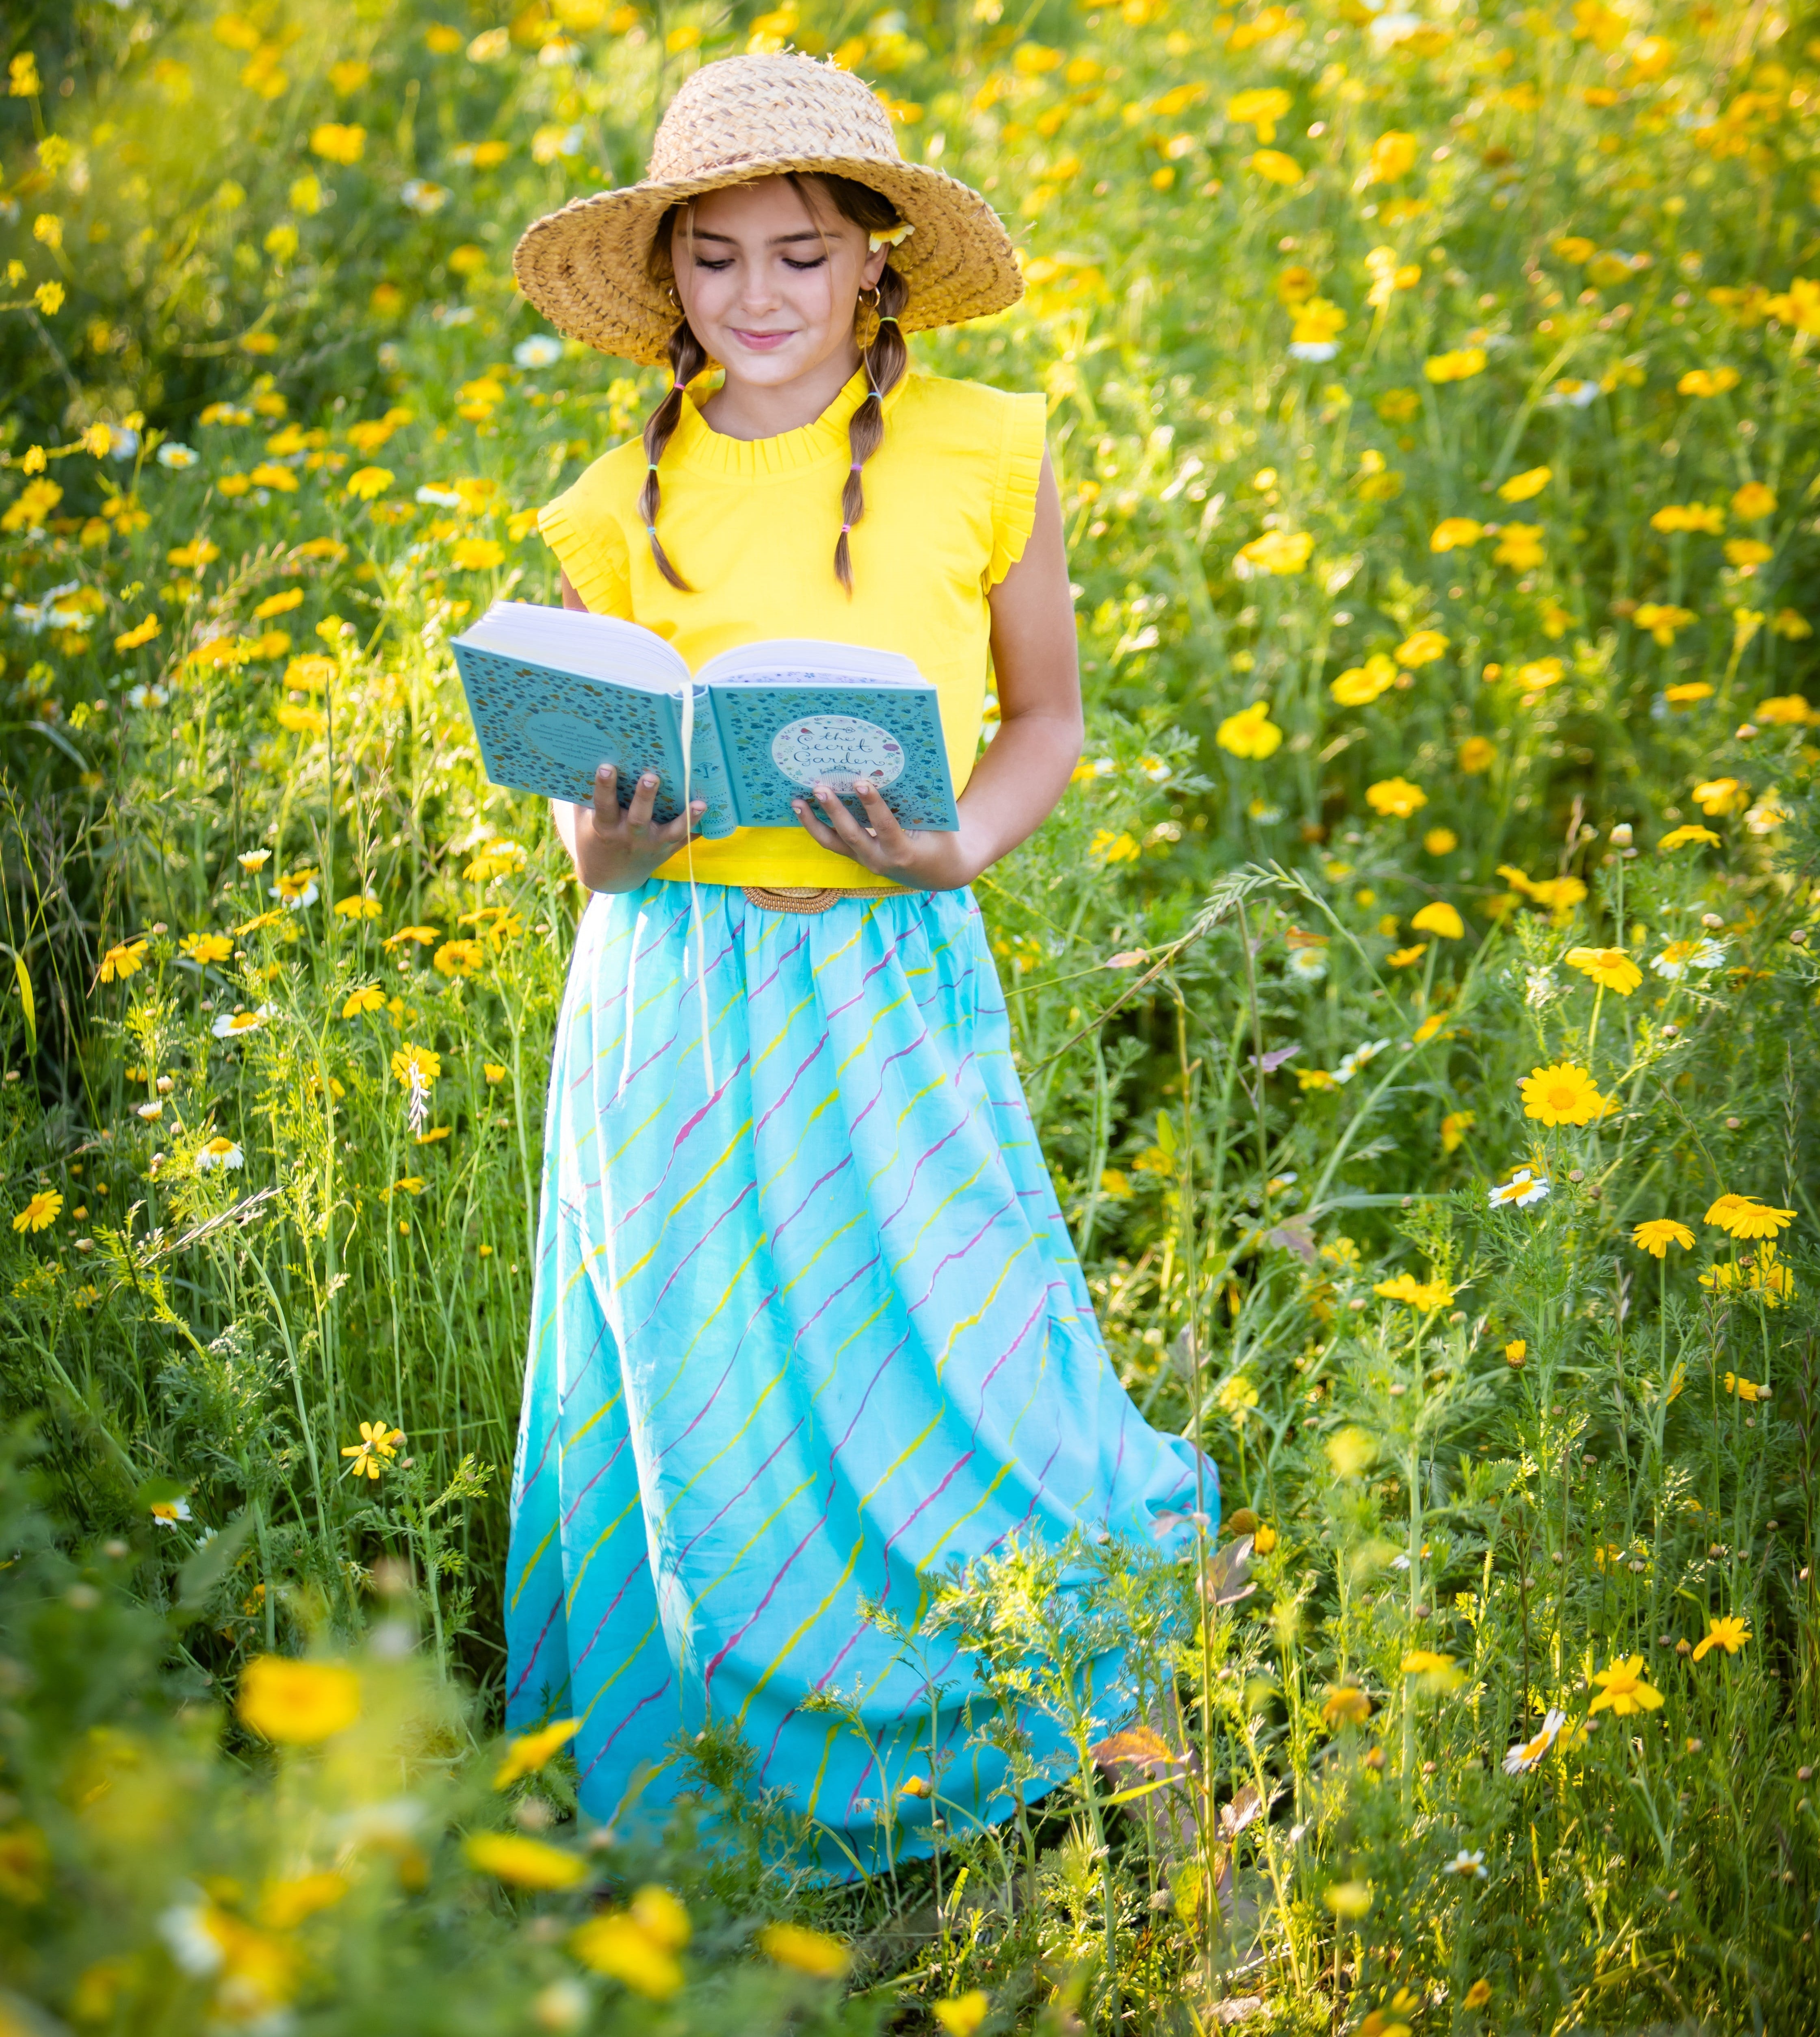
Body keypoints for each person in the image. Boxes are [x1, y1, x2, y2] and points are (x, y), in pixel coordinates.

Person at [503, 51, 1214, 1875]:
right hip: (673, 987)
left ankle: (1100, 1723)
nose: (758, 298)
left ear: (878, 263)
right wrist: (617, 836)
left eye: (802, 256)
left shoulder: (986, 449)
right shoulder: (611, 501)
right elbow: (594, 829)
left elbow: (1047, 718)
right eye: (717, 259)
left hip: (890, 963)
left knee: (973, 1350)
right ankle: (739, 1803)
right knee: (708, 1376)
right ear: (667, 277)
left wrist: (958, 845)